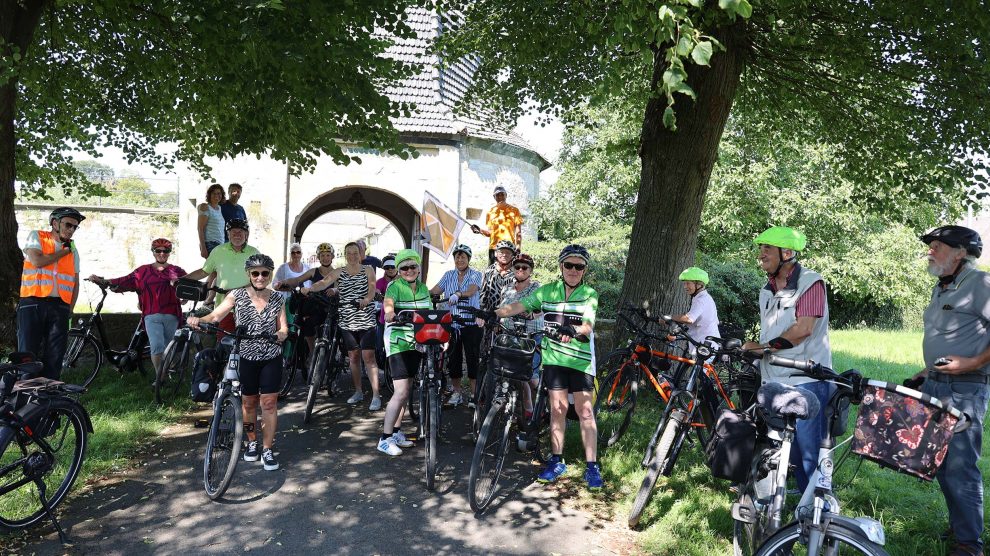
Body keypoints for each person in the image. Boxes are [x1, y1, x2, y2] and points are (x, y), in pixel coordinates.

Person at [490, 244, 602, 489]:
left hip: (580, 361)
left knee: (584, 412)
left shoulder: (590, 293)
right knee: (558, 410)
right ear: (561, 266)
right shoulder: (548, 292)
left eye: (579, 266)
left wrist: (573, 330)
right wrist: (495, 313)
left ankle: (592, 466)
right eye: (569, 265)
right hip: (554, 361)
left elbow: (588, 325)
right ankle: (557, 460)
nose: (573, 270)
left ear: (584, 270)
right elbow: (520, 305)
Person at [908, 225, 989, 556]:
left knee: (959, 465)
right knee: (941, 461)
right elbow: (947, 336)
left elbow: (970, 351)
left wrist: (970, 363)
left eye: (938, 246)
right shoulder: (942, 287)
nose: (931, 251)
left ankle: (970, 544)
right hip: (937, 383)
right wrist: (924, 372)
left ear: (960, 252)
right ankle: (960, 527)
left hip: (965, 387)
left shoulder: (980, 284)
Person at [741, 226, 833, 494]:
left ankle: (816, 511)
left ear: (787, 253)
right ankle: (786, 500)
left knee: (807, 455)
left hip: (805, 380)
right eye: (761, 248)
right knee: (781, 446)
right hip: (773, 379)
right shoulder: (766, 289)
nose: (761, 254)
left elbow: (803, 330)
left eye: (767, 248)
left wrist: (763, 348)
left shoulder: (811, 284)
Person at [188, 254, 288, 471]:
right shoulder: (237, 295)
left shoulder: (278, 298)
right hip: (246, 356)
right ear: (248, 275)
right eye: (255, 273)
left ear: (270, 274)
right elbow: (215, 315)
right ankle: (252, 443)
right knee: (248, 403)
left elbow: (284, 327)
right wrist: (198, 319)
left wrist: (280, 334)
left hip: (271, 355)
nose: (260, 277)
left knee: (269, 404)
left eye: (264, 273)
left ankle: (268, 449)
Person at [87, 239, 187, 379]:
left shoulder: (177, 271)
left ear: (170, 253)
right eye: (158, 250)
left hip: (172, 315)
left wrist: (185, 297)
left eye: (166, 251)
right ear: (153, 252)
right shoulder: (142, 271)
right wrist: (104, 281)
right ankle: (160, 378)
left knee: (169, 348)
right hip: (151, 315)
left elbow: (187, 290)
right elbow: (124, 281)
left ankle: (166, 374)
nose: (162, 254)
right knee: (157, 346)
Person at [304, 242, 382, 411]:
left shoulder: (368, 269)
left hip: (365, 319)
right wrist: (310, 289)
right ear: (345, 255)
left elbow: (372, 289)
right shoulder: (339, 271)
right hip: (347, 320)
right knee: (353, 357)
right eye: (349, 253)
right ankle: (358, 391)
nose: (352, 256)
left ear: (361, 254)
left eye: (355, 253)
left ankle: (376, 395)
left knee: (369, 357)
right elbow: (324, 282)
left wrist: (367, 300)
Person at [18, 207, 84, 380]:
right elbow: (37, 261)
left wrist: (70, 307)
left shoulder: (73, 250)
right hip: (33, 303)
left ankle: (50, 401)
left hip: (59, 306)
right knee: (28, 355)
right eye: (68, 225)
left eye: (75, 227)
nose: (71, 229)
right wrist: (64, 251)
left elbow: (75, 281)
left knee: (55, 356)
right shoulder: (37, 236)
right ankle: (24, 400)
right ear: (55, 223)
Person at [378, 249, 432, 456]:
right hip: (398, 341)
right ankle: (384, 439)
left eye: (413, 267)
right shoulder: (394, 286)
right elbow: (388, 305)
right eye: (404, 268)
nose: (409, 270)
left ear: (418, 268)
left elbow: (429, 314)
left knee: (407, 390)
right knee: (400, 392)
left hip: (418, 341)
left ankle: (396, 432)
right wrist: (390, 313)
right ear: (399, 270)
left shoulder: (423, 288)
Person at [183, 218, 259, 334]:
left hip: (248, 307)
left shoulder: (255, 253)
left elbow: (260, 279)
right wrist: (182, 280)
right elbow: (204, 272)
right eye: (234, 232)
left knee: (246, 346)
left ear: (247, 234)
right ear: (228, 234)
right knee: (223, 345)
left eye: (240, 232)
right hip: (223, 308)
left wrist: (238, 291)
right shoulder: (218, 251)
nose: (237, 235)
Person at [429, 244, 483, 405]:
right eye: (457, 257)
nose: (460, 259)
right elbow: (435, 290)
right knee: (454, 359)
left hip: (470, 322)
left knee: (472, 359)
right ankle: (457, 393)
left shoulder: (475, 274)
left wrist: (459, 294)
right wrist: (421, 293)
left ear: (468, 259)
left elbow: (472, 290)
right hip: (452, 323)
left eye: (463, 257)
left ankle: (474, 394)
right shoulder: (448, 275)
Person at [496, 253, 542, 414]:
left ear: (531, 270)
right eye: (517, 267)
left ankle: (549, 400)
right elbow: (502, 308)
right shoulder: (507, 288)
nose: (521, 270)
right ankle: (528, 409)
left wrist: (531, 314)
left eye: (525, 267)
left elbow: (539, 309)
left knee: (532, 377)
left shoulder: (536, 288)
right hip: (511, 335)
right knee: (516, 375)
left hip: (531, 337)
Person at [273, 242, 335, 359]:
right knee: (307, 325)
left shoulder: (336, 272)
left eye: (328, 255)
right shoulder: (313, 272)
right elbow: (297, 280)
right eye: (322, 255)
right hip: (316, 306)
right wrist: (284, 282)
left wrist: (335, 290)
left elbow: (340, 288)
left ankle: (330, 355)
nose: (325, 258)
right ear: (318, 257)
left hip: (331, 307)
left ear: (332, 256)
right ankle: (312, 353)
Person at [476, 239, 517, 405]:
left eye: (508, 252)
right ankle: (481, 394)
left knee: (506, 356)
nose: (504, 255)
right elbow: (483, 294)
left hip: (509, 318)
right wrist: (481, 314)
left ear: (513, 255)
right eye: (501, 252)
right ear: (496, 254)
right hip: (490, 317)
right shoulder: (489, 271)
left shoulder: (517, 271)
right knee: (485, 356)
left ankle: (508, 396)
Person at [471, 185, 523, 264]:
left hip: (508, 247)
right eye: (497, 195)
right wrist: (479, 230)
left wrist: (518, 247)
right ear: (494, 197)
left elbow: (518, 232)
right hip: (494, 248)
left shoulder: (514, 210)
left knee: (509, 274)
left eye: (502, 194)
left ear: (506, 195)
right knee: (492, 274)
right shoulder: (490, 212)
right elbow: (490, 233)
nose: (500, 197)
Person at [671, 266, 720, 349]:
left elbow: (689, 319)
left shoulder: (701, 300)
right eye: (685, 283)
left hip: (706, 347)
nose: (685, 286)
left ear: (699, 284)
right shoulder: (702, 297)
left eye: (688, 283)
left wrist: (669, 317)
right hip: (703, 344)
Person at [375, 254, 398, 369]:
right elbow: (376, 290)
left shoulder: (402, 281)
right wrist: (377, 294)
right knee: (379, 346)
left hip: (399, 318)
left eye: (392, 267)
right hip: (384, 319)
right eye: (387, 267)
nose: (390, 269)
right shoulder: (380, 281)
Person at [197, 183, 226, 258]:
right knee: (214, 268)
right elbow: (200, 228)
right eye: (214, 193)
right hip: (210, 244)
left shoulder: (219, 208)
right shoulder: (205, 207)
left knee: (216, 269)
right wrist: (203, 247)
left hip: (220, 244)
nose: (217, 195)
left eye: (219, 193)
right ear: (209, 195)